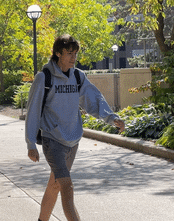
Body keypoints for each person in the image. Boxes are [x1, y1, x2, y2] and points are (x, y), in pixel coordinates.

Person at [25, 34, 125, 221]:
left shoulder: (78, 76)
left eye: (75, 53)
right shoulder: (44, 78)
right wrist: (31, 143)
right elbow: (33, 110)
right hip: (52, 140)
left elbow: (94, 99)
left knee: (55, 185)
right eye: (69, 53)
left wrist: (112, 118)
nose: (73, 57)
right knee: (67, 186)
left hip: (72, 141)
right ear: (57, 53)